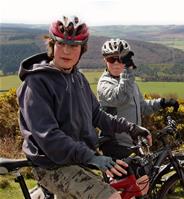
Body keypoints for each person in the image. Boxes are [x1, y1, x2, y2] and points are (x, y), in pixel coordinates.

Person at [16, 16, 151, 199]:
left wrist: (131, 128)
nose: (66, 51)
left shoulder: (77, 78)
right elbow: (49, 137)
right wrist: (92, 157)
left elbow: (97, 115)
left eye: (73, 46)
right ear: (52, 45)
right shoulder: (36, 84)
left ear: (82, 50)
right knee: (111, 197)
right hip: (51, 165)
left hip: (77, 159)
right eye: (61, 43)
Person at [97, 38, 179, 159]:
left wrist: (162, 103)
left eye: (120, 59)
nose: (116, 63)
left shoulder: (130, 83)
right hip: (115, 145)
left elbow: (142, 107)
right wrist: (127, 71)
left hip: (132, 143)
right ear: (105, 60)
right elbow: (121, 98)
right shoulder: (105, 84)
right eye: (111, 59)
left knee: (145, 176)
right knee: (138, 177)